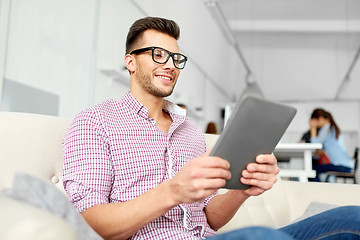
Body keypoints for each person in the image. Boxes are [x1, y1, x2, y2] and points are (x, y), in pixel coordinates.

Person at [63, 17, 360, 240]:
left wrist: (244, 190)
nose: (170, 65)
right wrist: (173, 191)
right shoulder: (95, 122)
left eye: (176, 58)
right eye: (157, 54)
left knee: (352, 217)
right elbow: (88, 222)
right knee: (262, 235)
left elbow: (210, 219)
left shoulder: (189, 131)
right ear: (130, 61)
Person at [309, 108, 354, 182]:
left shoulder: (326, 128)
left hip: (340, 165)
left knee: (312, 171)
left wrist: (313, 128)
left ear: (319, 118)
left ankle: (318, 191)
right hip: (346, 165)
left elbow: (315, 144)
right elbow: (321, 150)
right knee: (320, 170)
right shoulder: (331, 128)